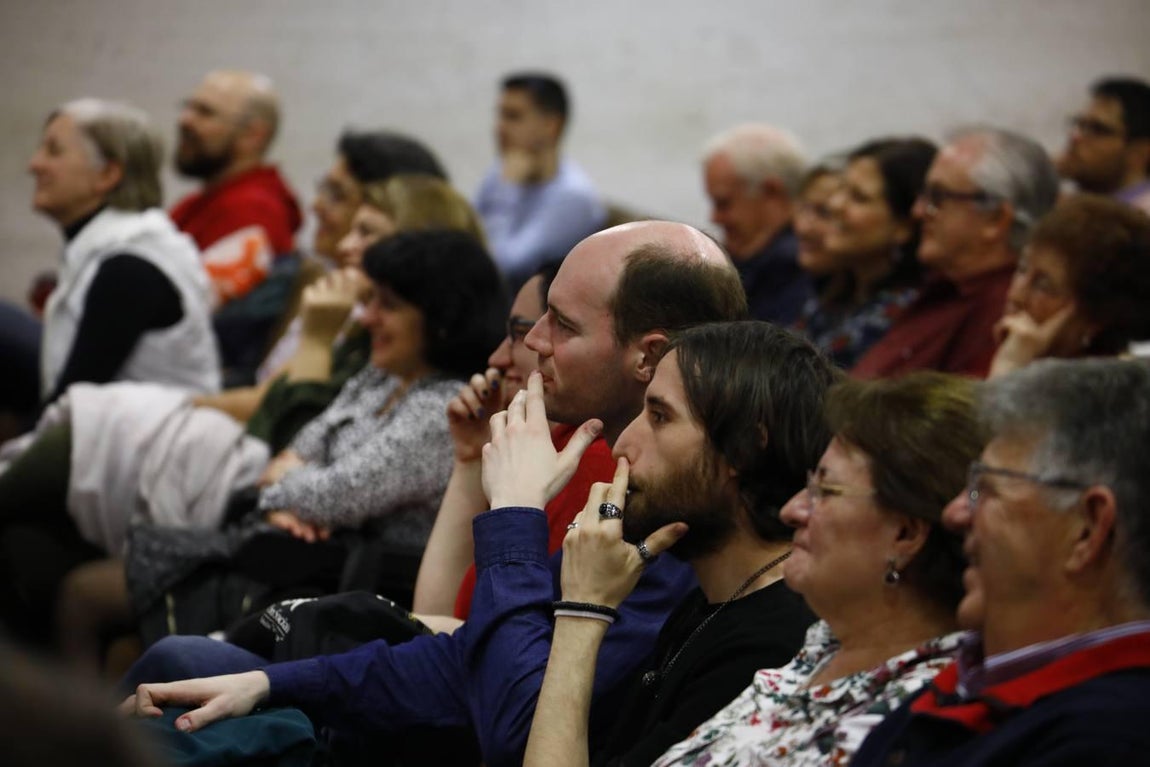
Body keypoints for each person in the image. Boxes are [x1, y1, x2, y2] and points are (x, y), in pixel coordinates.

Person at [121, 221, 746, 767]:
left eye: (561, 324)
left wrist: (515, 512)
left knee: (174, 687)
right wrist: (267, 683)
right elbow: (467, 654)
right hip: (432, 712)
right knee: (182, 675)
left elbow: (513, 727)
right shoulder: (621, 479)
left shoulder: (675, 513)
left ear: (648, 356)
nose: (530, 345)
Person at [498, 321, 832, 766]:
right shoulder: (708, 603)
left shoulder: (772, 650)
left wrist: (584, 609)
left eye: (659, 417)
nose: (622, 446)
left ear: (743, 450)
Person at [645, 371, 983, 766]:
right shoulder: (824, 642)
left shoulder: (910, 719)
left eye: (825, 490)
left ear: (904, 534)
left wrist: (590, 608)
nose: (792, 510)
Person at [853, 358, 1150, 766]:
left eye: (985, 488)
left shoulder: (1110, 739)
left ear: (1087, 528)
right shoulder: (975, 685)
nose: (954, 513)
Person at [29, 98, 220, 404]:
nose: (35, 164)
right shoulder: (117, 248)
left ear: (108, 174)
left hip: (154, 434)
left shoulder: (129, 268)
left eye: (54, 151)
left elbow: (71, 405)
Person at [852, 128, 1059, 379]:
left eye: (937, 197)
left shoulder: (1003, 316)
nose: (918, 211)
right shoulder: (944, 287)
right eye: (923, 195)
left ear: (996, 219)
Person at [792, 138, 934, 369]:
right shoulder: (836, 291)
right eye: (841, 189)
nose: (835, 204)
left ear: (904, 226)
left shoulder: (906, 316)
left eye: (858, 197)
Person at [169, 70, 303, 303]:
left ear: (253, 135)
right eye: (188, 107)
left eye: (205, 112)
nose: (185, 120)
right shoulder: (203, 200)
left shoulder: (252, 212)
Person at [989, 194, 1150, 377]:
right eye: (1022, 269)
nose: (1016, 295)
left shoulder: (1104, 392)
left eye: (1043, 286)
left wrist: (1010, 365)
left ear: (1093, 319)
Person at [475, 72, 606, 289]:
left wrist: (506, 190)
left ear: (551, 125)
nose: (500, 128)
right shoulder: (501, 170)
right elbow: (466, 235)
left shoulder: (573, 197)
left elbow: (500, 268)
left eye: (513, 116)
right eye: (500, 115)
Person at [702, 124, 813, 325]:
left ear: (771, 192)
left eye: (724, 203)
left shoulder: (792, 266)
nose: (715, 218)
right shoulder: (759, 258)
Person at [1056, 76, 1150, 215]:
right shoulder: (1082, 207)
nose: (1075, 137)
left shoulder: (1141, 220)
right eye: (1079, 124)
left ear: (1140, 152)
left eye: (1097, 129)